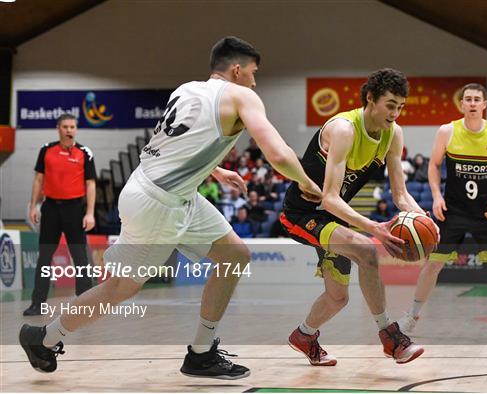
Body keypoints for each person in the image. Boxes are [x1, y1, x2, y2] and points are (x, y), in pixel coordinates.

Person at [19, 36, 321, 379]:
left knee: (235, 255)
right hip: (158, 203)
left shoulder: (187, 89)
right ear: (237, 70)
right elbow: (278, 153)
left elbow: (172, 143)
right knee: (121, 288)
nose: (254, 81)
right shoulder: (242, 95)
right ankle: (44, 337)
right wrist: (309, 185)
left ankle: (201, 353)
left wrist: (215, 169)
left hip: (170, 192)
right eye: (253, 73)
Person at [280, 68, 429, 366]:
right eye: (390, 105)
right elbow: (331, 198)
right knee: (367, 252)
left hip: (333, 218)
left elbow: (399, 195)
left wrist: (421, 217)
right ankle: (390, 337)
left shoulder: (393, 134)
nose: (396, 113)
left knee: (338, 298)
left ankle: (304, 335)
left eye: (401, 106)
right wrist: (374, 227)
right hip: (302, 214)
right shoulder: (344, 129)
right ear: (370, 99)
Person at [397, 83, 487, 340]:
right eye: (468, 99)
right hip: (453, 211)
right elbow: (434, 166)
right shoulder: (447, 131)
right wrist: (437, 196)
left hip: (486, 211)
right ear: (461, 104)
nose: (472, 103)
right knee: (432, 265)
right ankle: (411, 318)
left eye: (477, 99)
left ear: (484, 104)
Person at [23, 114, 96, 316]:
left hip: (74, 209)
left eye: (72, 126)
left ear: (76, 129)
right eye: (65, 126)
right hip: (51, 209)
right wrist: (33, 206)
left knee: (80, 257)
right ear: (58, 128)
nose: (69, 130)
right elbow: (39, 179)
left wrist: (90, 213)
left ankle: (84, 304)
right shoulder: (46, 150)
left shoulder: (84, 153)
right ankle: (37, 304)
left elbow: (91, 184)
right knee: (44, 257)